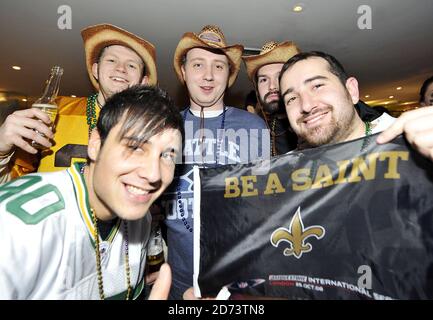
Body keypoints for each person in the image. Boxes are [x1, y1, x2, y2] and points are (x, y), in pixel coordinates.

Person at [0, 85, 183, 300]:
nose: (154, 174)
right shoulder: (17, 225)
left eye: (168, 155)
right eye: (135, 147)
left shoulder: (141, 221)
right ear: (96, 144)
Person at [159, 25, 270, 300]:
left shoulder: (255, 127)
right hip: (175, 280)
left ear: (230, 76)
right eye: (198, 64)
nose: (208, 75)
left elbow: (267, 205)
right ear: (183, 72)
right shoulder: (163, 125)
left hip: (241, 282)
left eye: (219, 66)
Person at [0, 23, 157, 183]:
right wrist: (1, 151)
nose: (121, 69)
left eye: (131, 65)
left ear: (143, 82)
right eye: (111, 60)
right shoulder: (57, 110)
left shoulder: (149, 129)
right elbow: (11, 186)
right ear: (95, 70)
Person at [278, 51, 396, 150]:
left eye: (317, 86)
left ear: (351, 90)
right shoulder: (287, 169)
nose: (306, 106)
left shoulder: (403, 141)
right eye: (292, 98)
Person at [243, 41, 300, 155]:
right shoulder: (251, 133)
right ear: (257, 91)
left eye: (279, 77)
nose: (272, 86)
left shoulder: (314, 121)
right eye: (264, 80)